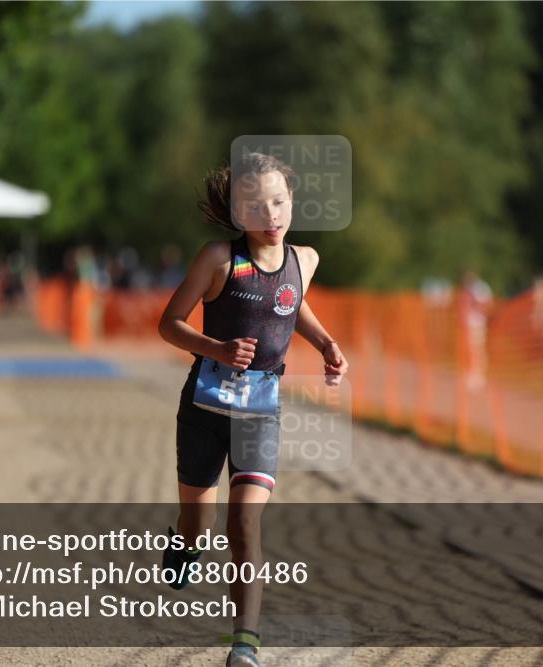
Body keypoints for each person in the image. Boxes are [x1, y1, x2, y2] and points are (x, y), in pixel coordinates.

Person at [157, 152, 349, 667]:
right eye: (257, 206)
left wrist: (327, 344)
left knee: (244, 522)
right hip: (204, 406)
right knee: (200, 523)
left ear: (292, 202)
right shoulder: (219, 260)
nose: (271, 215)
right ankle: (184, 539)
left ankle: (245, 643)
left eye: (279, 201)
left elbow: (291, 303)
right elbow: (169, 323)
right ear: (239, 214)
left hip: (261, 410)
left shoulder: (304, 260)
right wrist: (215, 349)